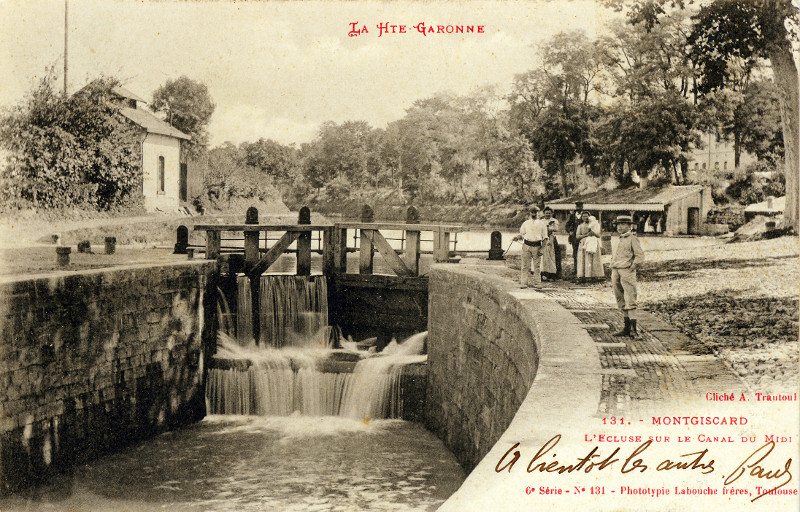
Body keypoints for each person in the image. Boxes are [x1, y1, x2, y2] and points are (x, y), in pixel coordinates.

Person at [611, 215, 645, 337]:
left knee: (630, 298)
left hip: (627, 270)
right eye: (618, 224)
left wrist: (632, 267)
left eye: (623, 224)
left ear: (629, 226)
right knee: (620, 298)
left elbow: (640, 255)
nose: (620, 227)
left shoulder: (633, 238)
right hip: (616, 270)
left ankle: (634, 330)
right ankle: (626, 328)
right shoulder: (618, 239)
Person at [513, 207, 548, 288]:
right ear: (529, 213)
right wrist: (517, 238)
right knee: (525, 265)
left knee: (537, 266)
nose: (534, 214)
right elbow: (521, 234)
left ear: (538, 213)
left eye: (535, 212)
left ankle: (537, 283)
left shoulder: (542, 224)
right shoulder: (526, 223)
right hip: (526, 246)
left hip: (537, 246)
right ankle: (524, 283)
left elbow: (545, 238)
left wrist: (542, 249)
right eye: (532, 212)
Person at [575, 211, 604, 282]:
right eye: (583, 216)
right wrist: (586, 235)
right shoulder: (580, 226)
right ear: (581, 218)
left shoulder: (595, 225)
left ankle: (595, 275)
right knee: (584, 259)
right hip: (584, 243)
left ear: (589, 217)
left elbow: (599, 235)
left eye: (587, 216)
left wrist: (593, 233)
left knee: (594, 259)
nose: (585, 218)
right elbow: (577, 236)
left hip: (593, 242)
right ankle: (584, 275)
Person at [564, 201, 584, 278]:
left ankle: (583, 270)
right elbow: (567, 226)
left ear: (582, 207)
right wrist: (570, 231)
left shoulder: (586, 215)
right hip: (574, 238)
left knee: (583, 253)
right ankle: (576, 270)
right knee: (575, 254)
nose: (579, 208)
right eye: (577, 207)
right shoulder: (572, 216)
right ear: (575, 208)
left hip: (583, 237)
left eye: (580, 207)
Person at [541, 207, 560, 280]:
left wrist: (549, 227)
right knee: (544, 256)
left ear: (551, 213)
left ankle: (553, 274)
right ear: (544, 214)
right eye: (546, 213)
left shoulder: (554, 220)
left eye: (549, 213)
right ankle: (543, 273)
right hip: (544, 239)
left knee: (552, 255)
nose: (548, 214)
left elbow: (556, 229)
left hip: (552, 238)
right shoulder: (541, 221)